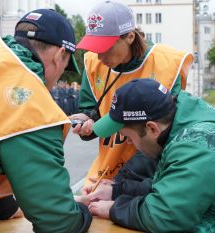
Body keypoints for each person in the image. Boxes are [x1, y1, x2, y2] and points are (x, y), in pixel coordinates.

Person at [84, 78, 215, 232]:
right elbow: (171, 189)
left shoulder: (196, 145)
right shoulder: (180, 129)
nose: (128, 142)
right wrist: (117, 191)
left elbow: (165, 215)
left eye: (127, 136)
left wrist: (114, 208)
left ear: (152, 128)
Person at [0, 9, 91, 232]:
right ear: (59, 54)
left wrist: (5, 207)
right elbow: (58, 222)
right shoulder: (31, 104)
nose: (58, 79)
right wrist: (85, 212)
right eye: (64, 68)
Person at [71, 0, 193, 183]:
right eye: (95, 48)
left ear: (129, 37)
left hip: (151, 176)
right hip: (105, 173)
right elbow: (91, 112)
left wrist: (122, 184)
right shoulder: (93, 64)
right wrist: (85, 123)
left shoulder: (167, 63)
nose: (99, 56)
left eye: (105, 48)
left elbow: (167, 134)